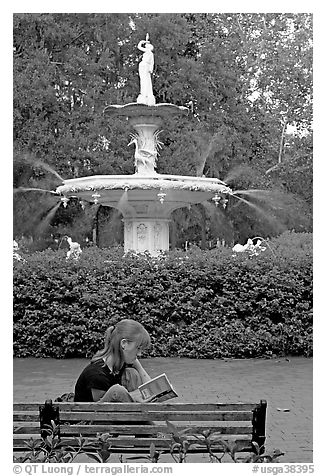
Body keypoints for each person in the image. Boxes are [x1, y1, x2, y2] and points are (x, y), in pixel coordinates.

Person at [74, 319, 153, 402]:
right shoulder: (96, 374)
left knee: (132, 373)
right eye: (138, 348)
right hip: (92, 413)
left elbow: (152, 389)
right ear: (124, 344)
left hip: (116, 410)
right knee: (117, 390)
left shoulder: (122, 362)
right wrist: (134, 396)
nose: (140, 354)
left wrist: (137, 365)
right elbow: (101, 410)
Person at [136, 35, 156, 106]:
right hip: (142, 65)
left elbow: (152, 63)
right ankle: (143, 93)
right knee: (143, 79)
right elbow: (139, 47)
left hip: (146, 66)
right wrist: (143, 42)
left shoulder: (150, 53)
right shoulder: (146, 52)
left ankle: (147, 94)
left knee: (146, 80)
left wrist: (151, 69)